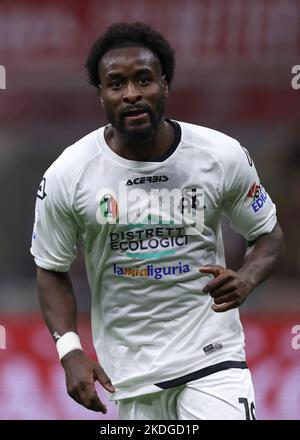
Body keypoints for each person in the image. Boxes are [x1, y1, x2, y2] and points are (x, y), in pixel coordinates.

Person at [30, 22, 284, 420]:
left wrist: (248, 276)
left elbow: (267, 234)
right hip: (130, 375)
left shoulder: (221, 155)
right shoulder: (69, 174)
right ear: (101, 95)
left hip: (213, 359)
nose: (131, 94)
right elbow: (51, 268)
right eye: (116, 84)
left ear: (164, 86)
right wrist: (70, 350)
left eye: (143, 80)